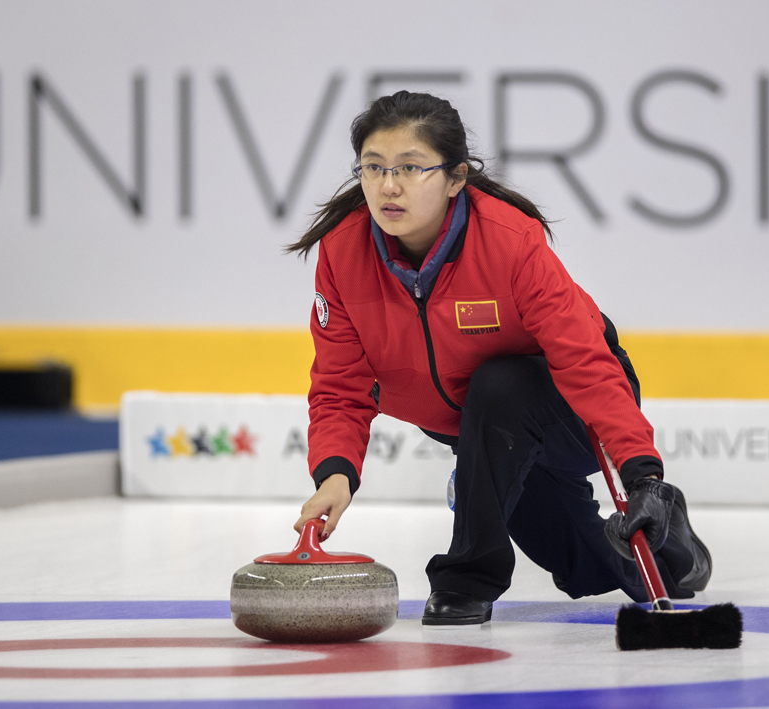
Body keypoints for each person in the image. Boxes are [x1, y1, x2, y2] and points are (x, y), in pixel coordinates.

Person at [289, 91, 711, 625]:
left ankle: (467, 577)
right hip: (480, 429)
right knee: (584, 566)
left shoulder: (511, 241)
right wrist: (335, 475)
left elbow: (585, 360)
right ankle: (681, 555)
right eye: (372, 168)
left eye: (410, 168)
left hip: (570, 413)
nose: (387, 186)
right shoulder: (342, 250)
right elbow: (340, 384)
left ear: (457, 177)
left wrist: (643, 476)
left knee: (499, 384)